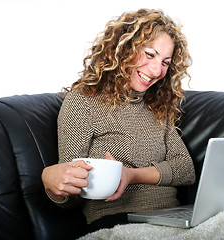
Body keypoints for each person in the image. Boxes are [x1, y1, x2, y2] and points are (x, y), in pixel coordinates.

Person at [41, 8, 195, 233]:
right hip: (120, 224)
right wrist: (50, 181)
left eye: (165, 62)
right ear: (124, 49)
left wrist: (131, 175)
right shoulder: (83, 102)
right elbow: (72, 192)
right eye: (150, 54)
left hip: (174, 220)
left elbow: (186, 169)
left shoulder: (156, 107)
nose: (156, 70)